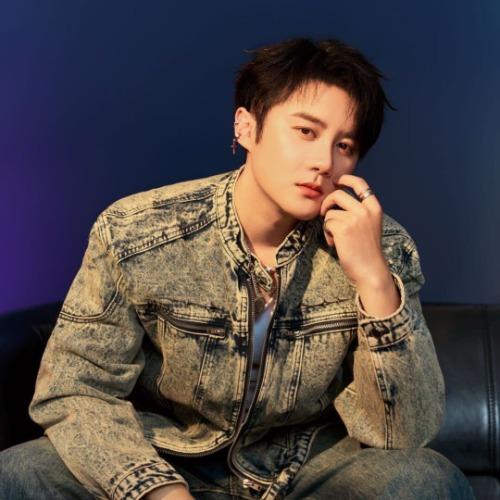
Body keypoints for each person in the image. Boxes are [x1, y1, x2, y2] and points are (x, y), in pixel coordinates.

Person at [0, 37, 476, 500]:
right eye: (306, 132)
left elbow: (403, 435)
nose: (324, 162)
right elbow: (75, 390)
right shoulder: (136, 232)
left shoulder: (382, 245)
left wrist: (374, 278)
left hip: (305, 466)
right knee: (18, 474)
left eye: (345, 145)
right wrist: (153, 488)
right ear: (246, 128)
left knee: (427, 481)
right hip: (167, 456)